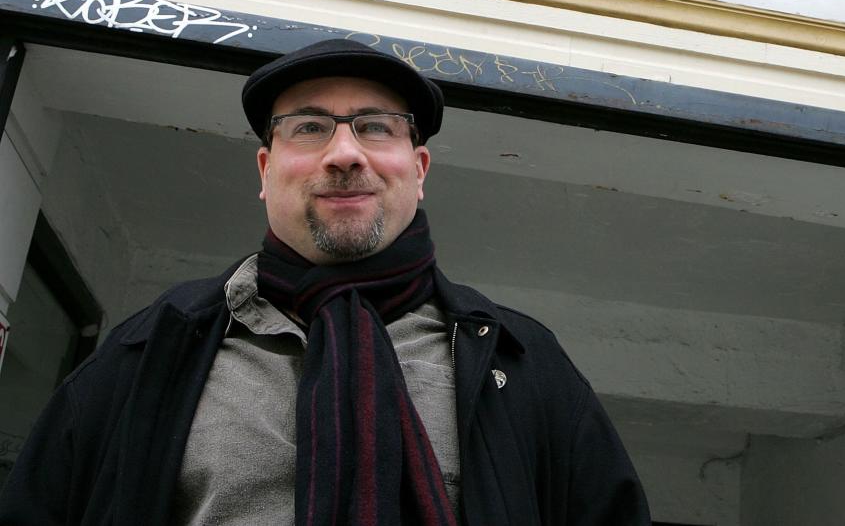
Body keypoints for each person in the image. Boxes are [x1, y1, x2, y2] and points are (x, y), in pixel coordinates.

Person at [0, 38, 650, 525]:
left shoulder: (521, 361)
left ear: (418, 169)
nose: (344, 153)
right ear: (265, 168)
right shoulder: (151, 348)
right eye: (308, 127)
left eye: (375, 126)